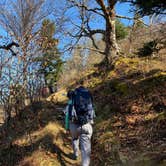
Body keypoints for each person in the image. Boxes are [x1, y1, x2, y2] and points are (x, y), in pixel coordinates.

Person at [64, 81, 95, 166]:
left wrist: (67, 128)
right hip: (86, 125)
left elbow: (67, 116)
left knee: (74, 139)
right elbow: (92, 111)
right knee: (85, 150)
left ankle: (76, 154)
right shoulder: (87, 97)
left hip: (74, 126)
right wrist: (91, 121)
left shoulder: (71, 102)